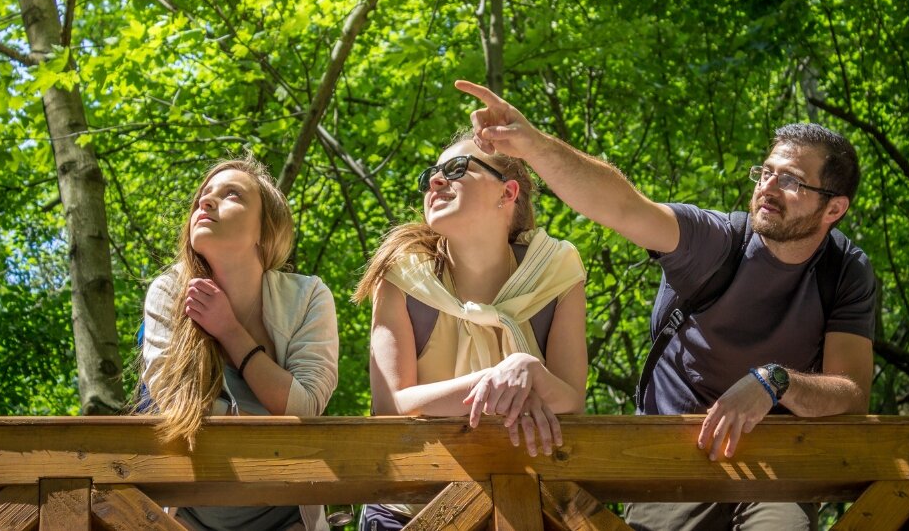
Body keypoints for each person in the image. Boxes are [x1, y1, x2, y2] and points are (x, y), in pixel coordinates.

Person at [456, 80, 876, 531]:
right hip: (668, 452)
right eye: (766, 172)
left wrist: (773, 381)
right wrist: (532, 145)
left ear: (833, 210)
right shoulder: (715, 241)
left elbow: (850, 394)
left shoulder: (845, 270)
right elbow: (621, 205)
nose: (769, 188)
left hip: (776, 461)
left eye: (791, 181)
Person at [353, 130, 588, 530]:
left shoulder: (557, 271)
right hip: (408, 512)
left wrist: (528, 370)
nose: (435, 180)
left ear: (507, 192)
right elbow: (391, 404)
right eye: (431, 173)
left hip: (528, 508)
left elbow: (571, 400)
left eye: (457, 169)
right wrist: (498, 385)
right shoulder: (400, 275)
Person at [140, 156, 339, 531]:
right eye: (204, 195)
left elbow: (306, 406)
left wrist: (229, 330)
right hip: (187, 517)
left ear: (266, 231)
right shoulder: (168, 293)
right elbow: (179, 409)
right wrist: (277, 422)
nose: (206, 202)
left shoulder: (309, 296)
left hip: (288, 518)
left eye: (232, 195)